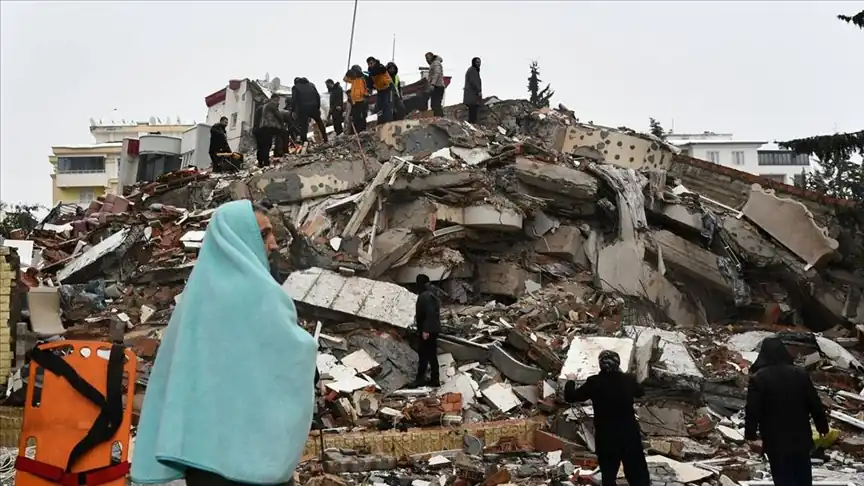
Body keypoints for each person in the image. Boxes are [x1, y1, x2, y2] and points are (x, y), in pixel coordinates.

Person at [131, 200, 318, 486]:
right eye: (264, 235)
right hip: (249, 461)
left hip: (203, 456)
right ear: (238, 237)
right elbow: (293, 354)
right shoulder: (258, 293)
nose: (274, 245)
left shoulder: (197, 295)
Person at [745, 337, 829, 486]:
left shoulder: (759, 378)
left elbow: (753, 408)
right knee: (802, 473)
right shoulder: (800, 374)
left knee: (782, 476)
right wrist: (822, 425)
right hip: (800, 436)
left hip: (775, 438)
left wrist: (750, 433)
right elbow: (814, 402)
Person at [562, 350, 650, 486]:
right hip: (629, 434)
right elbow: (640, 392)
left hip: (606, 436)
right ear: (618, 363)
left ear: (600, 364)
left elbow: (571, 397)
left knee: (608, 474)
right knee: (637, 473)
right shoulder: (628, 380)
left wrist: (571, 380)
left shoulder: (595, 382)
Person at [413, 274, 441, 387]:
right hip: (432, 329)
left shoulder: (425, 296)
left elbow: (429, 314)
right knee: (432, 355)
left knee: (424, 354)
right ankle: (435, 379)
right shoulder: (431, 294)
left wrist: (425, 330)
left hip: (428, 331)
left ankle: (420, 379)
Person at [292, 77, 328, 144]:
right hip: (314, 107)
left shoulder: (295, 87)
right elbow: (317, 96)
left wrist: (294, 111)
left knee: (303, 125)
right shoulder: (311, 85)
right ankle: (325, 138)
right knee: (319, 122)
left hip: (303, 108)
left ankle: (304, 141)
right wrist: (317, 107)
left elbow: (294, 100)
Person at [255, 95, 287, 167]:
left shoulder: (259, 109)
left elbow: (256, 119)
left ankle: (260, 162)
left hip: (257, 129)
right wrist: (282, 126)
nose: (278, 103)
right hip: (266, 128)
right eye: (277, 101)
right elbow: (278, 116)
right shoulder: (271, 105)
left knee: (260, 147)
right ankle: (266, 162)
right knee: (267, 145)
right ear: (274, 99)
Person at [366, 57, 394, 123]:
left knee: (388, 105)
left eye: (371, 63)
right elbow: (370, 83)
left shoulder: (380, 67)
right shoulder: (371, 73)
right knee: (379, 106)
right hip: (380, 90)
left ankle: (388, 121)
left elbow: (380, 70)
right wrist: (370, 89)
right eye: (369, 64)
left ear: (375, 62)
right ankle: (381, 121)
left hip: (388, 87)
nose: (370, 65)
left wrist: (371, 73)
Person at [344, 65, 368, 133]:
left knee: (362, 117)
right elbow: (345, 79)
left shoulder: (363, 78)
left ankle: (362, 130)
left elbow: (367, 89)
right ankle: (356, 131)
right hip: (355, 102)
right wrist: (349, 72)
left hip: (362, 100)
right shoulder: (353, 79)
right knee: (356, 117)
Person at [424, 52, 446, 117]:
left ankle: (440, 119)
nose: (427, 60)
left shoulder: (436, 63)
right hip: (436, 86)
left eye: (428, 58)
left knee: (436, 105)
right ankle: (439, 118)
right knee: (434, 105)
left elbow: (437, 73)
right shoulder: (434, 64)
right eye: (426, 59)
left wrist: (432, 84)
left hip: (438, 86)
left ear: (432, 57)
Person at [463, 57, 483, 124]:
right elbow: (474, 82)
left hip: (471, 96)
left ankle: (472, 126)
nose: (479, 64)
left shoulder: (473, 70)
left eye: (479, 62)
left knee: (472, 113)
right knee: (472, 114)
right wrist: (479, 91)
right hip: (472, 96)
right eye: (477, 62)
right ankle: (472, 126)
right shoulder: (473, 70)